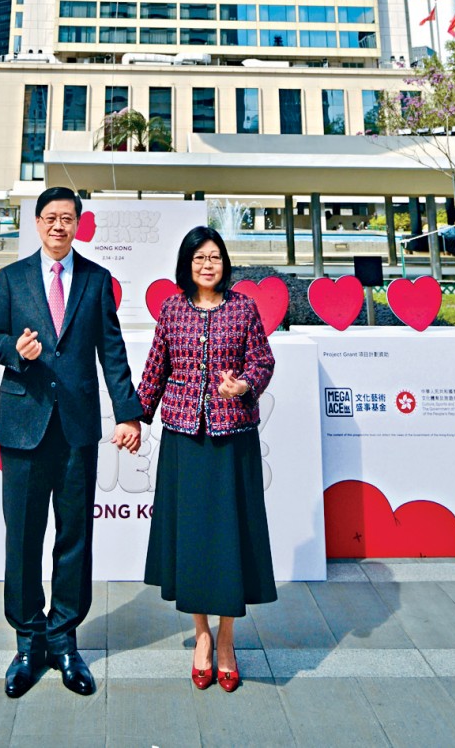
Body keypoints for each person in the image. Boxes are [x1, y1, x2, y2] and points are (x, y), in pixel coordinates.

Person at [0, 185, 143, 699]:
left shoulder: (96, 281)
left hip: (76, 431)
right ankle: (29, 641)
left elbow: (112, 355)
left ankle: (65, 639)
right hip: (24, 429)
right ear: (37, 222)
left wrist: (130, 415)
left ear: (78, 223)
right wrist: (15, 350)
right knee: (23, 537)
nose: (58, 226)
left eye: (67, 218)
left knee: (74, 537)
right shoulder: (10, 279)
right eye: (50, 218)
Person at [136, 226, 276, 693]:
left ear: (225, 262)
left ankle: (228, 640)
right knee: (193, 541)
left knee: (230, 538)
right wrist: (134, 418)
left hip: (232, 437)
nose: (208, 265)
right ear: (187, 264)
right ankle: (200, 637)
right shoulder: (172, 309)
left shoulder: (244, 307)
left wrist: (245, 386)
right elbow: (156, 367)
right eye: (199, 258)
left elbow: (263, 361)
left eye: (214, 257)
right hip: (184, 438)